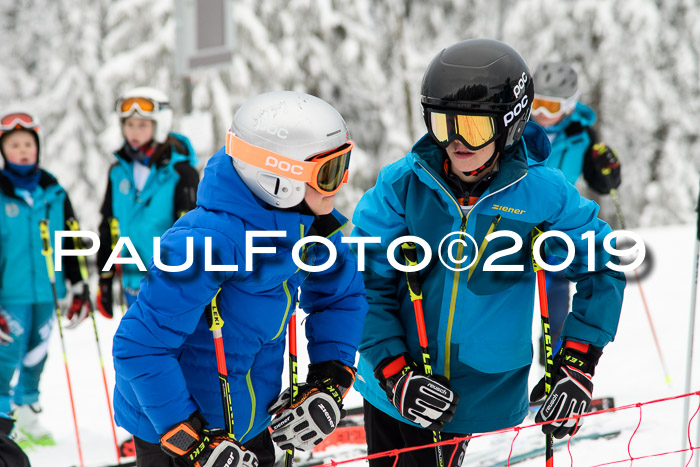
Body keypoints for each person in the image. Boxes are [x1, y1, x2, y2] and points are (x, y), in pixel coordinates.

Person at [351, 39, 626, 466]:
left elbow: (602, 265)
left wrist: (577, 362)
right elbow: (365, 279)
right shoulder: (403, 185)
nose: (458, 142)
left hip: (476, 386)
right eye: (444, 125)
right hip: (395, 382)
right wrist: (394, 372)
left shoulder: (541, 193)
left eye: (475, 128)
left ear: (511, 124)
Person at [111, 91, 368, 467]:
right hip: (176, 439)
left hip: (250, 429)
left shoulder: (310, 228)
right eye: (328, 174)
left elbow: (341, 295)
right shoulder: (203, 244)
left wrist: (330, 378)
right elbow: (138, 347)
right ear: (279, 179)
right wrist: (191, 439)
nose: (341, 183)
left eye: (343, 165)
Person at [0, 111, 90, 447]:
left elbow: (72, 241)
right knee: (6, 358)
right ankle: (3, 424)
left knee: (37, 354)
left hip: (47, 292)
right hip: (9, 295)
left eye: (28, 144)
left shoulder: (54, 193)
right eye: (14, 145)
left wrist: (79, 285)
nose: (22, 151)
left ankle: (27, 415)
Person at [531, 61, 622, 357]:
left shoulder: (583, 135)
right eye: (538, 103)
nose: (542, 114)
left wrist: (609, 169)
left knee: (556, 295)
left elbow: (600, 183)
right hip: (517, 219)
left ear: (569, 106)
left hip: (556, 226)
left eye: (551, 106)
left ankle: (555, 368)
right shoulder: (519, 128)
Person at [96, 87, 200, 318]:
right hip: (132, 282)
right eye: (129, 124)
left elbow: (192, 231)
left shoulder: (181, 173)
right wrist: (105, 276)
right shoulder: (118, 172)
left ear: (159, 125)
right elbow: (108, 225)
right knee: (137, 351)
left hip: (169, 284)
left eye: (142, 125)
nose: (134, 131)